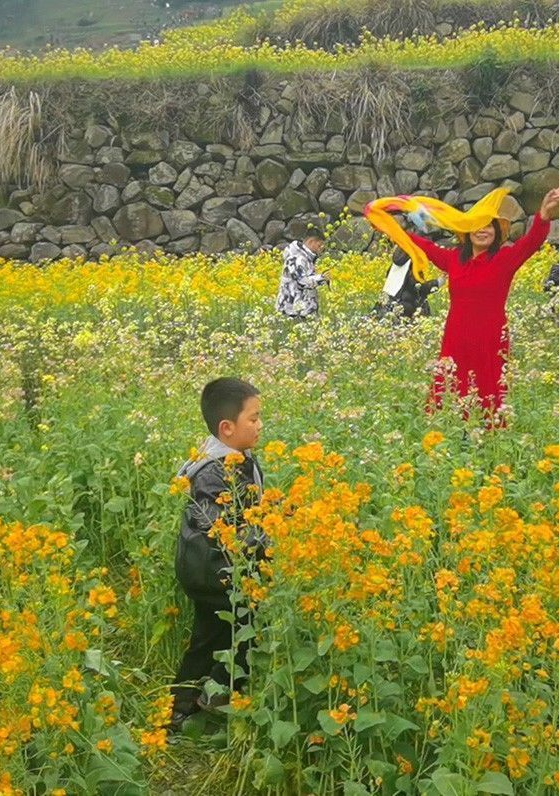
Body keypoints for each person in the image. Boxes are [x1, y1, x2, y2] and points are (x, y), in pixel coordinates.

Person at [366, 183, 559, 427]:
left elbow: (530, 243)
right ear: (466, 231)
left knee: (489, 389)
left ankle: (490, 437)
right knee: (449, 386)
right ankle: (447, 433)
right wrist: (389, 228)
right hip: (456, 336)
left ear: (497, 232)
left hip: (491, 337)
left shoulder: (505, 260)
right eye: (476, 225)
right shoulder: (454, 260)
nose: (482, 230)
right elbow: (424, 246)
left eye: (488, 226)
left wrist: (544, 216)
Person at [169, 377, 268, 730]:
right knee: (246, 627)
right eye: (253, 419)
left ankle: (178, 708)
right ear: (227, 428)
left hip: (206, 567)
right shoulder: (215, 471)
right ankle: (216, 696)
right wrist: (268, 539)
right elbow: (220, 526)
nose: (260, 425)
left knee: (209, 634)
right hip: (215, 571)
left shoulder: (229, 458)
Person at [275, 231, 328, 319]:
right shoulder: (298, 258)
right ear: (311, 242)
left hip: (299, 309)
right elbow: (302, 281)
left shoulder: (305, 257)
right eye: (319, 245)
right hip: (293, 310)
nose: (321, 249)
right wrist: (321, 278)